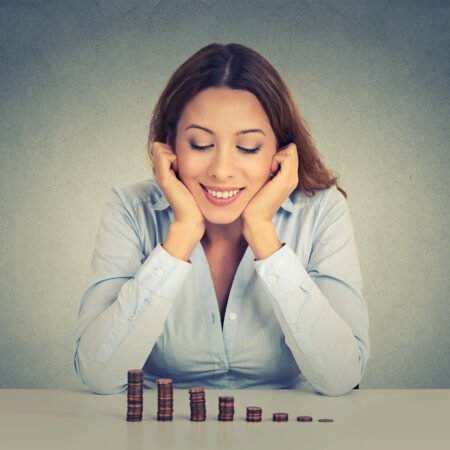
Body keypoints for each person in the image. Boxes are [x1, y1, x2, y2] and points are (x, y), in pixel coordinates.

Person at [73, 43, 370, 396]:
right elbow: (99, 374)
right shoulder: (130, 208)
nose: (221, 171)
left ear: (280, 152)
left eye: (247, 147)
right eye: (199, 144)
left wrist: (262, 232)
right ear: (170, 145)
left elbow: (342, 377)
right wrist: (180, 235)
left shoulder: (322, 210)